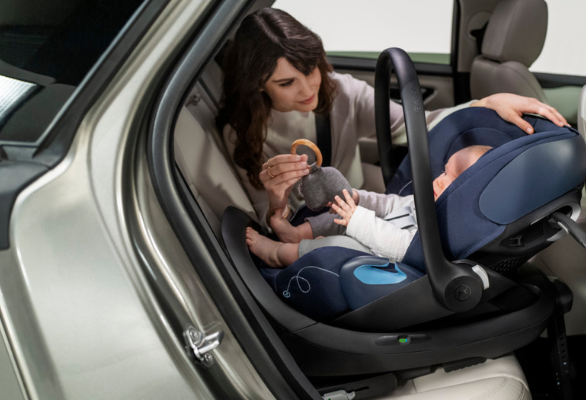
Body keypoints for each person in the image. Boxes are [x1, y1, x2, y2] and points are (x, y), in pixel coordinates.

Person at [219, 8, 568, 237]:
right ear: (257, 84)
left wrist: (487, 103)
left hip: (361, 201)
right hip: (303, 229)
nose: (309, 88)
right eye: (285, 83)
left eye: (311, 70)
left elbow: (419, 125)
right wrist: (276, 199)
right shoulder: (241, 134)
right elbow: (268, 222)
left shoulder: (341, 90)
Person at [245, 145, 491, 267]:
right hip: (373, 232)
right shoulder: (429, 202)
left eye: (452, 178)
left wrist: (358, 219)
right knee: (339, 216)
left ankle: (277, 254)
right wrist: (358, 199)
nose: (439, 179)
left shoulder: (446, 231)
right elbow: (392, 203)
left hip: (382, 261)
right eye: (445, 170)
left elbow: (404, 248)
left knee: (339, 243)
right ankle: (294, 234)